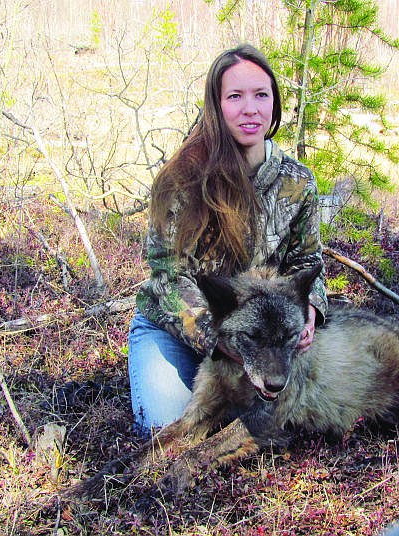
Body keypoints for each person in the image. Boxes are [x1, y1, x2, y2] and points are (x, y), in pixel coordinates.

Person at [128, 43, 328, 434]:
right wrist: (222, 340)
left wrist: (310, 311)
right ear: (216, 105)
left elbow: (308, 264)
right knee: (165, 428)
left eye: (261, 95)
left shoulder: (297, 181)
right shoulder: (182, 180)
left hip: (263, 337)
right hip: (176, 329)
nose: (250, 108)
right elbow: (168, 280)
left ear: (275, 102)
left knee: (273, 423)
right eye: (235, 96)